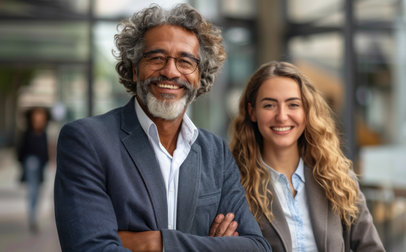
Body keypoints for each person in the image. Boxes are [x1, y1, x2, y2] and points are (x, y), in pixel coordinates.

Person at [54, 3, 270, 252]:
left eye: (185, 62)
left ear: (199, 77)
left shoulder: (216, 153)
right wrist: (213, 246)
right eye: (156, 58)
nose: (170, 71)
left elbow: (256, 247)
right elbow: (91, 249)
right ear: (134, 70)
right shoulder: (87, 141)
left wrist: (154, 243)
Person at [229, 61, 385, 252]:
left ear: (307, 111)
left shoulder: (336, 177)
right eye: (269, 105)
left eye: (293, 104)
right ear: (253, 112)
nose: (282, 116)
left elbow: (371, 248)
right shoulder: (234, 185)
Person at [17, 107, 50, 233]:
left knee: (37, 190)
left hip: (40, 165)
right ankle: (32, 216)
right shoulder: (28, 133)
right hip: (31, 163)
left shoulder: (43, 133)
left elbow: (45, 152)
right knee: (33, 190)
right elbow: (21, 151)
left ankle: (34, 215)